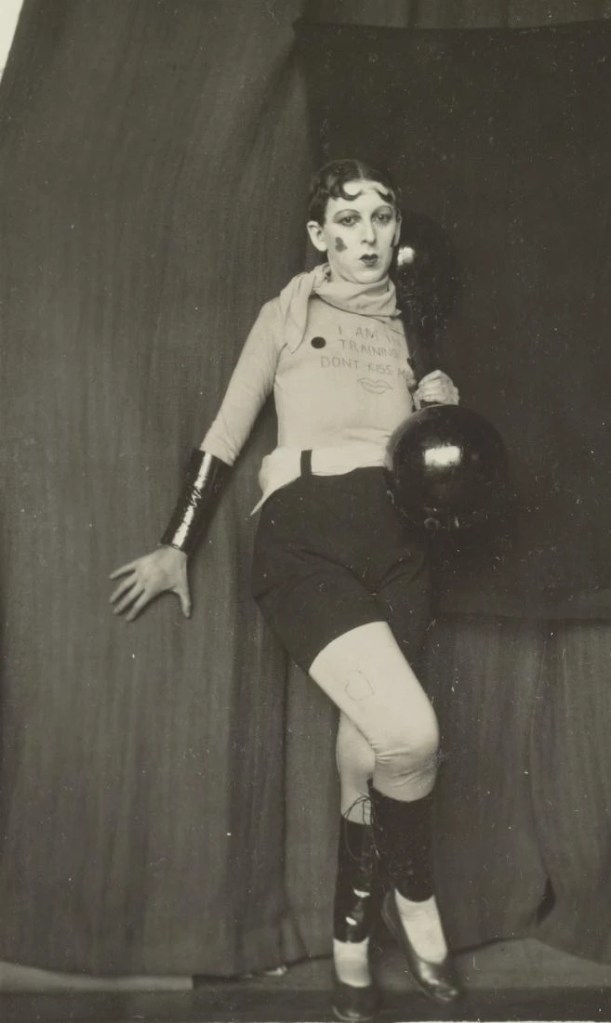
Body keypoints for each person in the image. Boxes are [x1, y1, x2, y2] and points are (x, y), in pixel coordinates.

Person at [109, 158, 463, 1022]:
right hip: (307, 537)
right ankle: (415, 895)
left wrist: (443, 403)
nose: (366, 235)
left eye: (381, 217)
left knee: (368, 749)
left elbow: (442, 459)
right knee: (411, 734)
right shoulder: (288, 311)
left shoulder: (413, 327)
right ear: (319, 234)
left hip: (401, 545)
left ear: (397, 230)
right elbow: (228, 428)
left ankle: (350, 942)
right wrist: (178, 542)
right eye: (347, 219)